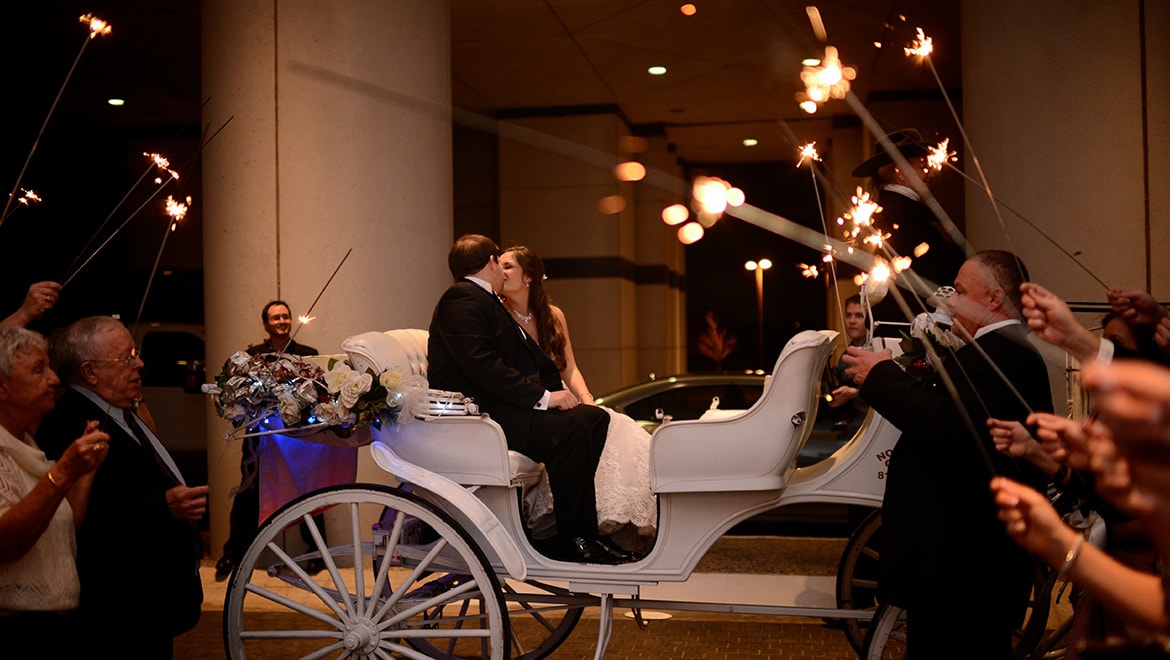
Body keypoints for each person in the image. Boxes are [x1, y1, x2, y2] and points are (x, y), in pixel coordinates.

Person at [842, 250, 1053, 657]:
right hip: (960, 566)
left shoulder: (999, 355)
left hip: (965, 570)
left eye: (960, 290)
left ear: (993, 299)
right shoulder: (996, 353)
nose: (950, 300)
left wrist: (880, 374)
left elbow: (943, 424)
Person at [427, 234, 630, 564]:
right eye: (500, 263)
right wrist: (545, 398)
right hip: (477, 416)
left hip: (498, 408)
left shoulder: (484, 300)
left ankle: (579, 533)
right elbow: (483, 367)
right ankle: (573, 537)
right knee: (572, 428)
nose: (504, 273)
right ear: (491, 262)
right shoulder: (462, 299)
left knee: (593, 418)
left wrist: (564, 396)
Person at [36, 316, 207, 658]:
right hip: (118, 605)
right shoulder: (72, 419)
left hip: (146, 605)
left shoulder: (118, 408)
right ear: (90, 372)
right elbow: (78, 515)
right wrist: (163, 506)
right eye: (127, 357)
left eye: (136, 353)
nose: (139, 363)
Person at [498, 245, 655, 552]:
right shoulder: (499, 315)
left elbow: (569, 367)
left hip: (562, 399)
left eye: (508, 266)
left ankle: (612, 520)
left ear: (528, 276)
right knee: (577, 428)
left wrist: (586, 398)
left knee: (610, 420)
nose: (500, 272)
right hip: (531, 405)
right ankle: (574, 530)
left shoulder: (553, 315)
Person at [0, 327, 109, 657]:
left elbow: (58, 534)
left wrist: (84, 474)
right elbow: (6, 543)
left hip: (50, 626)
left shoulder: (28, 446)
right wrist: (64, 472)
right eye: (38, 369)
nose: (54, 379)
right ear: (2, 387)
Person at [216, 300, 321, 581]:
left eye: (285, 316)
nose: (282, 321)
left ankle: (318, 553)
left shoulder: (308, 355)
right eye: (275, 318)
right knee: (248, 493)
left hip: (298, 436)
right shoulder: (251, 356)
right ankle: (233, 552)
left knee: (308, 488)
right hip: (260, 436)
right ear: (265, 324)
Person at [852, 129, 966, 321]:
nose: (928, 172)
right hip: (911, 326)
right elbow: (923, 273)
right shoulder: (898, 215)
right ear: (901, 173)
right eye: (921, 166)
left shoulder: (890, 210)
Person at [822, 295, 870, 434]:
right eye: (848, 315)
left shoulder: (875, 352)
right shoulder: (844, 357)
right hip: (850, 428)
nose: (852, 321)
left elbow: (884, 394)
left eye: (859, 316)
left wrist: (854, 394)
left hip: (869, 430)